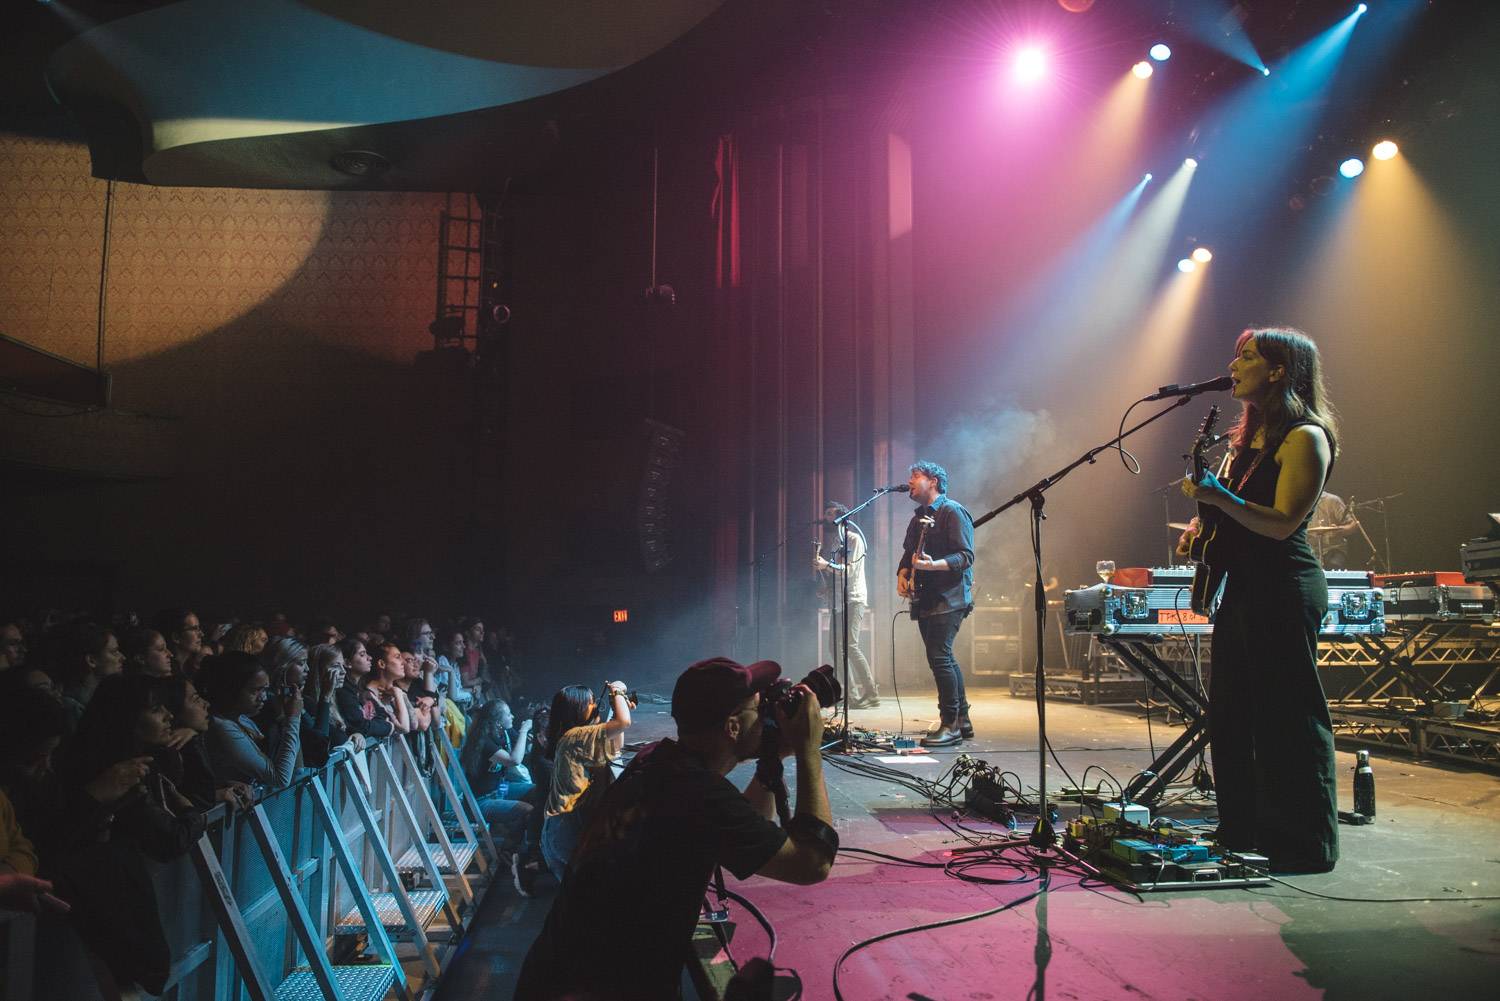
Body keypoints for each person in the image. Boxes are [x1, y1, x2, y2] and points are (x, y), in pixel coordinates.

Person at [514, 658, 834, 1001]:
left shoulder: (656, 762)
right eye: (759, 709)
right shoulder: (698, 796)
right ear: (733, 728)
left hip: (555, 975)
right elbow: (811, 862)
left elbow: (745, 829)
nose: (767, 715)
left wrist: (772, 758)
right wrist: (808, 750)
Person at [1178, 326, 1340, 875]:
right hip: (1244, 589)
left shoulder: (1305, 437)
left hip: (1284, 587)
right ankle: (1243, 829)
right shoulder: (1246, 441)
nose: (1233, 362)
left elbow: (1282, 523)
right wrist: (1202, 533)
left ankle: (1302, 844)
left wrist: (1218, 498)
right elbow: (1238, 521)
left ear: (1277, 371)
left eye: (1246, 355)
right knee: (1233, 717)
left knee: (1287, 718)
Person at [897, 460, 976, 747]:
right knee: (941, 658)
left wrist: (935, 566)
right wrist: (902, 574)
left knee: (940, 657)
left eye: (915, 476)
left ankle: (950, 724)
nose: (909, 481)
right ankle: (962, 720)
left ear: (933, 481)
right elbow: (908, 554)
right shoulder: (918, 517)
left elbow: (965, 556)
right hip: (927, 597)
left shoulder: (952, 511)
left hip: (950, 597)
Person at [538, 682, 631, 882]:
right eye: (590, 703)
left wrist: (617, 707)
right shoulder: (573, 737)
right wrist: (618, 690)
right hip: (565, 832)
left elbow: (616, 745)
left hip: (565, 830)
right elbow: (624, 723)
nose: (595, 705)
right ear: (577, 710)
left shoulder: (580, 737)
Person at [198, 651, 302, 789]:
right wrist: (293, 718)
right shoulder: (222, 726)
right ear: (232, 689)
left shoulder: (243, 719)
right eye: (256, 690)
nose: (263, 697)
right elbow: (280, 779)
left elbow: (298, 766)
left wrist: (285, 716)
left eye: (265, 689)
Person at [815, 501, 878, 708]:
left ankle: (871, 693)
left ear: (842, 517)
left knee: (850, 646)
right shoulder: (835, 542)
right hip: (838, 600)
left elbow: (850, 570)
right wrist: (826, 586)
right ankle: (850, 694)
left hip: (854, 598)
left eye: (829, 514)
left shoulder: (854, 539)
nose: (826, 518)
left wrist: (827, 565)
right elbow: (838, 572)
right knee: (835, 648)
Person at [1309, 491, 1360, 569]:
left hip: (1333, 550)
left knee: (1333, 566)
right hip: (1310, 551)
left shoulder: (1333, 500)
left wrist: (1339, 530)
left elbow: (1353, 525)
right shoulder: (1300, 504)